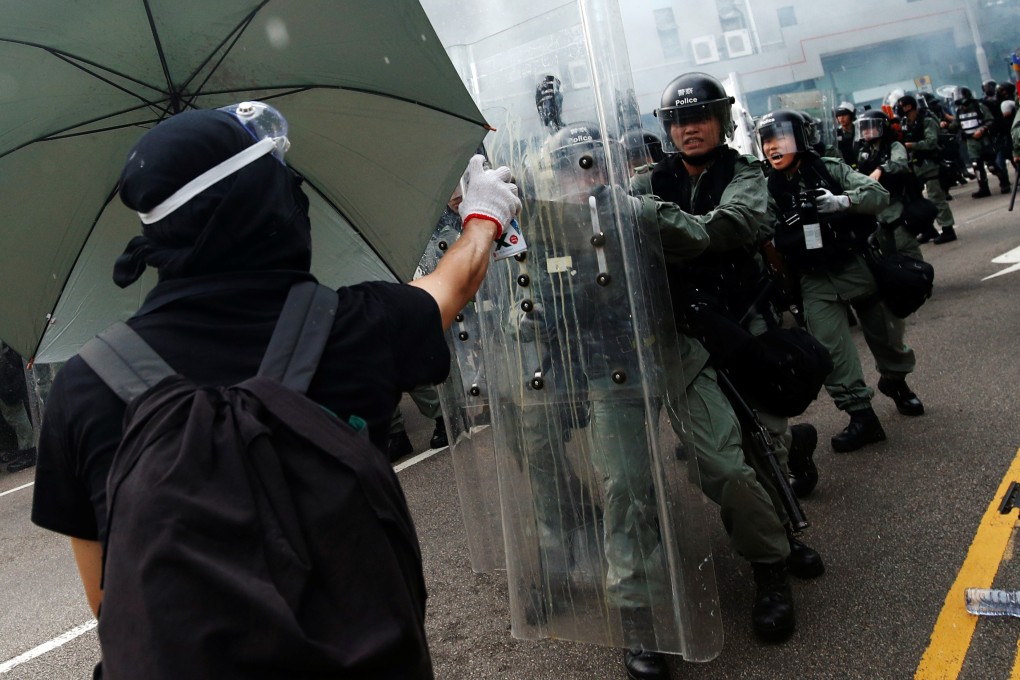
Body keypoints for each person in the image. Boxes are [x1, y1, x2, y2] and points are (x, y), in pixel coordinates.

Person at [29, 104, 521, 674]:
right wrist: (484, 213)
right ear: (271, 203)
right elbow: (454, 281)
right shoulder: (354, 326)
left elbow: (108, 601)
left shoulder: (83, 385)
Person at [625, 73, 825, 678]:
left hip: (744, 331)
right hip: (684, 343)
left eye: (701, 116)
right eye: (678, 120)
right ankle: (770, 568)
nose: (689, 128)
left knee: (770, 443)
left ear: (720, 120)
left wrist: (645, 215)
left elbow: (726, 230)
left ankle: (783, 527)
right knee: (725, 464)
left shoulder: (746, 176)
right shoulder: (643, 183)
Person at [757, 109, 924, 455]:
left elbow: (878, 196)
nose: (774, 147)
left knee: (888, 337)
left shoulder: (829, 170)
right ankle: (862, 416)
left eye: (782, 138)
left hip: (855, 265)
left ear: (801, 140)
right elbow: (757, 228)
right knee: (831, 350)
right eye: (768, 141)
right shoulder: (766, 189)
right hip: (813, 279)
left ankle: (896, 382)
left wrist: (843, 201)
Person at [853, 109, 928, 256]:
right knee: (886, 251)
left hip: (896, 205)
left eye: (870, 127)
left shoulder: (894, 146)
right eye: (864, 128)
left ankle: (921, 277)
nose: (866, 131)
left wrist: (882, 168)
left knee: (905, 246)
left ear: (882, 127)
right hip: (876, 209)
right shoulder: (865, 151)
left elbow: (900, 163)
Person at [897, 93, 957, 244]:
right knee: (916, 201)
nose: (900, 109)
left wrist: (912, 145)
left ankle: (948, 229)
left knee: (937, 198)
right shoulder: (905, 122)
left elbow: (931, 142)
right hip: (914, 166)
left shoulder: (927, 120)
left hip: (929, 164)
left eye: (902, 106)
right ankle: (928, 230)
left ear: (909, 107)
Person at [951, 86, 1006, 197]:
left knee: (991, 165)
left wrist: (982, 129)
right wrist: (946, 124)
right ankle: (983, 188)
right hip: (970, 142)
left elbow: (990, 120)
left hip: (983, 140)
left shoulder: (978, 106)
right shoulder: (959, 111)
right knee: (976, 166)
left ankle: (1004, 182)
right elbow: (956, 124)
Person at [0, 341, 35, 472]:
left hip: (7, 365)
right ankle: (19, 447)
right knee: (9, 412)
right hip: (8, 361)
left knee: (14, 410)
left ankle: (28, 451)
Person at [835, 101, 858, 166]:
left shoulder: (859, 130)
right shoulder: (835, 133)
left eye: (844, 115)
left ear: (851, 115)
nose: (841, 118)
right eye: (839, 116)